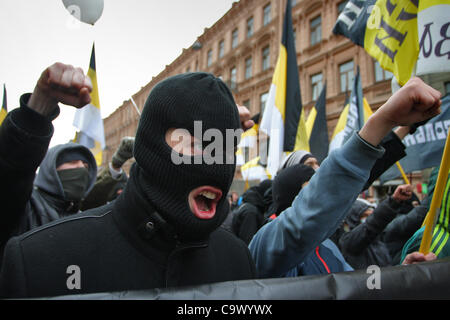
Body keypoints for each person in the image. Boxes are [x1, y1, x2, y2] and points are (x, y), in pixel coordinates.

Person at [0, 63, 256, 298]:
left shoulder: (237, 259)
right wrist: (33, 117)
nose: (215, 161)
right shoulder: (40, 259)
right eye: (197, 143)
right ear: (152, 145)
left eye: (225, 148)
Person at [248, 76, 442, 279]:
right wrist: (381, 121)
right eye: (311, 173)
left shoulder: (329, 246)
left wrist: (402, 277)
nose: (320, 170)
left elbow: (357, 289)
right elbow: (315, 206)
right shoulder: (265, 247)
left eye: (319, 167)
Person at [0, 85, 98, 253]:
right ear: (51, 170)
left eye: (86, 165)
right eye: (73, 162)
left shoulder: (86, 218)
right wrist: (36, 113)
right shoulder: (25, 208)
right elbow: (12, 170)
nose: (81, 168)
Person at [268, 163, 353, 275]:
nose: (319, 197)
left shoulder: (327, 244)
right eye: (311, 191)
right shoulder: (279, 250)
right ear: (291, 198)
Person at [81, 136, 134, 210]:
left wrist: (116, 165)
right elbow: (91, 197)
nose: (82, 165)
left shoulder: (122, 177)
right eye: (73, 162)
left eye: (84, 162)